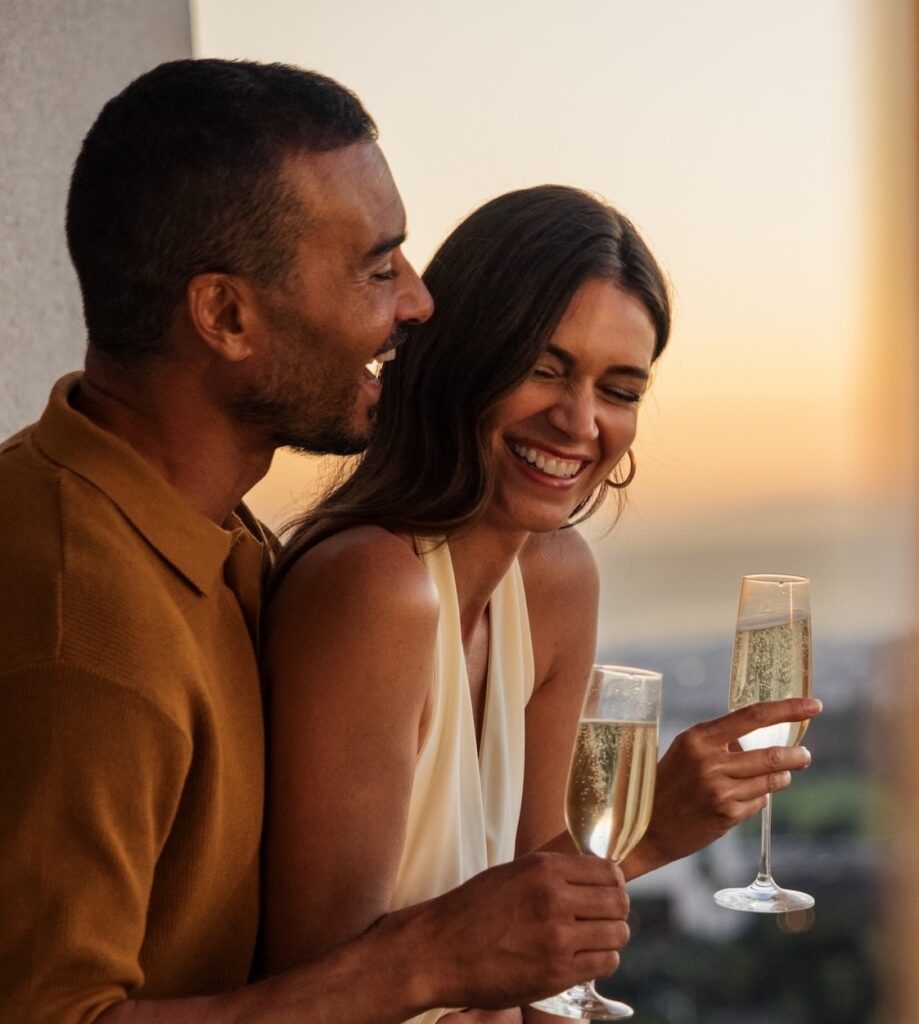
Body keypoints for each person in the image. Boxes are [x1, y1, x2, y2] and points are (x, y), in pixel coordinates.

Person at [0, 61, 634, 1024]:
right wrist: (419, 962)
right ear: (226, 316)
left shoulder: (206, 534)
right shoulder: (79, 626)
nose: (418, 305)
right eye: (377, 269)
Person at [260, 185, 822, 1023]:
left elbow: (534, 957)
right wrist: (651, 831)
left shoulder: (555, 580)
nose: (577, 421)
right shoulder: (371, 588)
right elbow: (320, 993)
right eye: (541, 367)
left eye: (619, 389)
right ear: (458, 357)